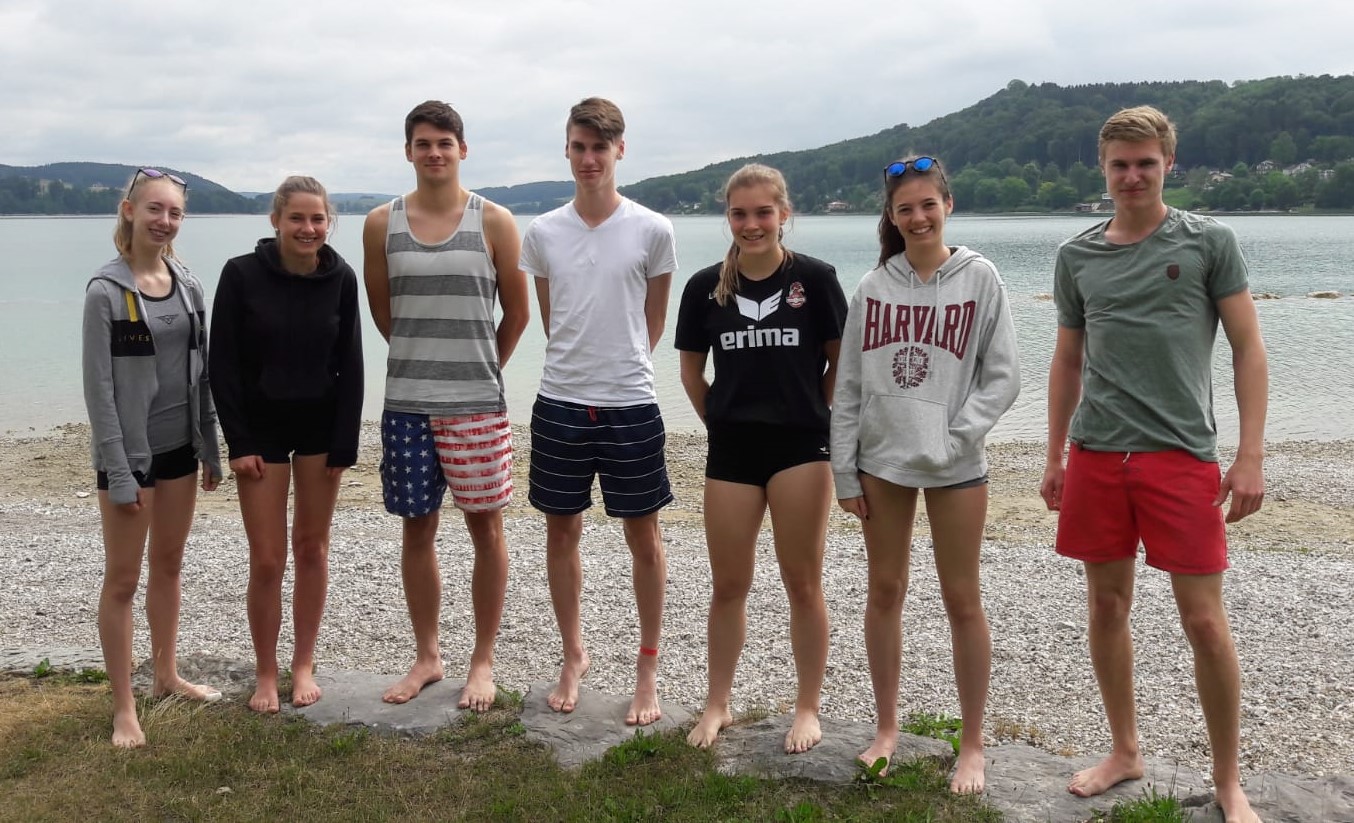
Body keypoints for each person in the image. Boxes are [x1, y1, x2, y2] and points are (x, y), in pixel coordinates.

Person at [1040, 106, 1267, 823]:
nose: (1131, 175)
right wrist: (1055, 453)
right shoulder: (1078, 255)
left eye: (1145, 162)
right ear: (1102, 168)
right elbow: (1068, 357)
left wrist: (1250, 452)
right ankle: (1125, 749)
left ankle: (1229, 779)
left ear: (1169, 163)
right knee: (1107, 605)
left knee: (1204, 622)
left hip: (1181, 456)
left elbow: (1248, 349)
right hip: (1099, 452)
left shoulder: (1208, 241)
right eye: (1119, 164)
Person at [831, 155, 1020, 793]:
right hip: (883, 462)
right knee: (884, 592)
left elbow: (1002, 375)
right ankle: (885, 728)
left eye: (927, 205)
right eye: (904, 208)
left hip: (956, 465)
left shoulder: (981, 278)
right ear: (891, 216)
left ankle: (971, 742)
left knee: (962, 599)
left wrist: (957, 432)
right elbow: (849, 387)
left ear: (947, 206)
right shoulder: (872, 288)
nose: (917, 217)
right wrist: (845, 473)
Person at [362, 100, 530, 711]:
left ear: (463, 149)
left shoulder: (496, 221)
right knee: (418, 528)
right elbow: (384, 311)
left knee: (487, 528)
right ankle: (428, 656)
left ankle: (481, 661)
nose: (435, 153)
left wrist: (482, 368)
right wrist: (422, 358)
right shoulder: (381, 223)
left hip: (478, 405)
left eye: (445, 142)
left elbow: (518, 313)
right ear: (408, 151)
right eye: (423, 143)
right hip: (406, 403)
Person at [674, 164, 845, 753]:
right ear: (728, 217)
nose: (752, 225)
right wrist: (718, 418)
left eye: (762, 213)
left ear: (784, 214)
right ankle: (716, 703)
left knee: (802, 582)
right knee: (728, 585)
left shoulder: (816, 281)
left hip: (800, 449)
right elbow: (691, 371)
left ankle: (807, 707)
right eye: (740, 214)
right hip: (732, 451)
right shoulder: (704, 288)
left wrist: (811, 411)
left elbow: (838, 360)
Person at [522, 97, 677, 726]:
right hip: (559, 400)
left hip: (630, 403)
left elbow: (654, 322)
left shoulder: (652, 229)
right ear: (566, 149)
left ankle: (647, 667)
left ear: (620, 150)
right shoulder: (543, 233)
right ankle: (573, 653)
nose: (590, 158)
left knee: (644, 535)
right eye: (580, 146)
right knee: (562, 531)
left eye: (601, 147)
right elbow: (553, 319)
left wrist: (622, 365)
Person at [210, 176, 364, 714]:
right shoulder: (241, 274)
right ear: (276, 220)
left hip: (321, 429)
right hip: (261, 432)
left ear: (329, 222)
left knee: (312, 548)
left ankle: (303, 664)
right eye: (297, 218)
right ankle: (266, 672)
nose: (308, 228)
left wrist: (346, 442)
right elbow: (222, 363)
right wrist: (239, 441)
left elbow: (352, 363)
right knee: (269, 560)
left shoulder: (341, 276)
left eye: (318, 219)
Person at [82, 168, 224, 747]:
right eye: (155, 210)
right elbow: (99, 393)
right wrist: (121, 474)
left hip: (180, 451)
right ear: (129, 211)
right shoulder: (105, 292)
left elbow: (202, 373)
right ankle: (123, 707)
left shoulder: (186, 283)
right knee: (123, 579)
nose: (164, 221)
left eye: (174, 213)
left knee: (169, 565)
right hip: (130, 459)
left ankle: (166, 675)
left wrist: (209, 446)